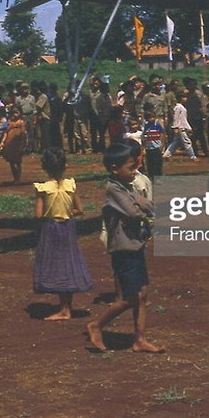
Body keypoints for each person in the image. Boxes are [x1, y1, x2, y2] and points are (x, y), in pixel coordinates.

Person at [86, 143, 164, 354]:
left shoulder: (126, 187)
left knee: (143, 294)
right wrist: (140, 203)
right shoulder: (113, 189)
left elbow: (147, 205)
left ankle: (140, 339)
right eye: (130, 168)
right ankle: (97, 325)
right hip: (124, 249)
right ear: (114, 169)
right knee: (130, 297)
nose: (134, 171)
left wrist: (140, 203)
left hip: (135, 244)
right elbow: (135, 212)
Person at [32, 148, 90, 321]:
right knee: (69, 262)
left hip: (51, 229)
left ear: (44, 167)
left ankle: (64, 309)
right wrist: (67, 211)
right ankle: (67, 307)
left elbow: (38, 215)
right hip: (68, 227)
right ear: (65, 165)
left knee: (56, 264)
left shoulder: (43, 188)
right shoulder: (71, 185)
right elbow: (80, 209)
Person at [1, 106, 27, 184]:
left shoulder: (21, 122)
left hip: (18, 144)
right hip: (10, 144)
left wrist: (22, 145)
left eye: (16, 112)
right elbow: (6, 132)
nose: (14, 114)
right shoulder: (9, 122)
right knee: (11, 162)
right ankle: (15, 178)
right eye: (13, 113)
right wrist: (3, 142)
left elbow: (23, 135)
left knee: (18, 162)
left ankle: (18, 179)